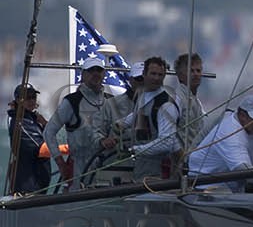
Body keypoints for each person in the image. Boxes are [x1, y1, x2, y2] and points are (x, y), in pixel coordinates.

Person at [42, 59, 116, 187]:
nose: (95, 73)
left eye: (99, 70)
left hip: (109, 166)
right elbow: (49, 132)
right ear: (83, 74)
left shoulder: (111, 101)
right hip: (80, 169)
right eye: (91, 70)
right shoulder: (72, 102)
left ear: (104, 74)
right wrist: (61, 164)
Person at [186, 94, 253, 193]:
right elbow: (243, 169)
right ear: (242, 115)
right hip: (206, 185)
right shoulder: (229, 131)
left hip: (235, 186)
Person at [113, 56, 181, 182]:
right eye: (153, 74)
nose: (156, 78)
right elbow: (140, 114)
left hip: (159, 172)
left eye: (160, 75)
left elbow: (167, 142)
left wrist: (135, 150)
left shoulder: (166, 105)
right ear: (144, 74)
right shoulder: (144, 96)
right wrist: (121, 124)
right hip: (142, 168)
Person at [7, 83, 50, 194]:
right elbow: (40, 149)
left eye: (33, 97)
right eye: (27, 98)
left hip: (38, 183)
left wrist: (45, 124)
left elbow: (49, 138)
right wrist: (70, 148)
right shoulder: (21, 123)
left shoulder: (33, 119)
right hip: (28, 186)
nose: (31, 101)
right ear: (18, 100)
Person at [172, 52, 205, 160]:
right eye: (191, 71)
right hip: (180, 161)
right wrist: (182, 157)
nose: (195, 74)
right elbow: (168, 134)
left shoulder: (196, 102)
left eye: (198, 71)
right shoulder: (177, 99)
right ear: (180, 75)